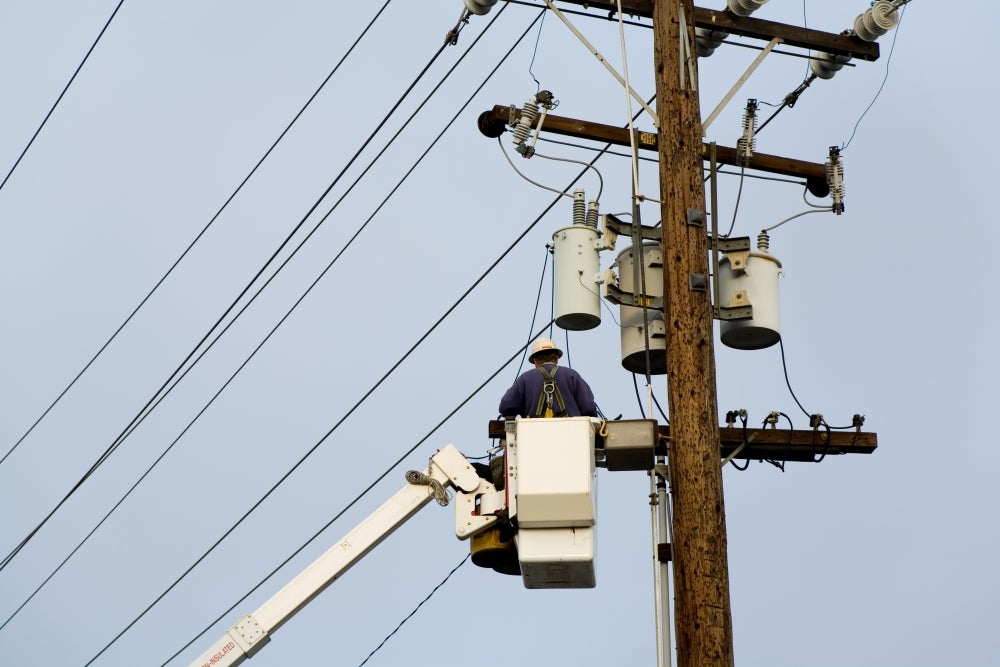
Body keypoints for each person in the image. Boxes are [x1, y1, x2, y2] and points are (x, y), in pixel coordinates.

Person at [499, 338, 598, 418]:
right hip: (571, 435)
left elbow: (506, 407)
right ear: (556, 358)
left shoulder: (525, 379)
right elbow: (588, 407)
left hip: (533, 436)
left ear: (535, 361)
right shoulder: (572, 375)